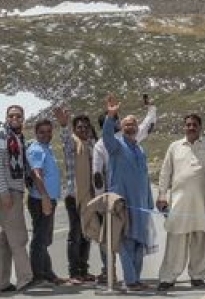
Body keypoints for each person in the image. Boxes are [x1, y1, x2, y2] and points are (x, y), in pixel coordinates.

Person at [92, 99, 155, 284]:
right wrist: (111, 116)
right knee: (126, 242)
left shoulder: (140, 149)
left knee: (139, 242)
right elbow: (107, 137)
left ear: (137, 127)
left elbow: (144, 177)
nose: (130, 126)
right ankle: (131, 280)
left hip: (141, 204)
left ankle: (136, 278)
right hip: (122, 203)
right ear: (121, 126)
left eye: (133, 123)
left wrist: (149, 202)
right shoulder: (115, 146)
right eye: (126, 123)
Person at [156, 114, 205, 291]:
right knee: (176, 239)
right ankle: (168, 277)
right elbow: (165, 172)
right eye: (188, 125)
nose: (191, 127)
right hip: (179, 202)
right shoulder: (175, 147)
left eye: (194, 125)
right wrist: (162, 195)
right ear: (184, 127)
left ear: (200, 127)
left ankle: (198, 276)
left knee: (203, 239)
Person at [54, 107, 97, 284]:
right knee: (76, 234)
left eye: (86, 127)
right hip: (74, 196)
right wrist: (64, 125)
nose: (83, 130)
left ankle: (83, 270)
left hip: (90, 196)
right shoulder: (72, 144)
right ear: (74, 129)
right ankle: (74, 272)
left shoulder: (92, 146)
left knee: (87, 233)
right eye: (79, 127)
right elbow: (64, 138)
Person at [26, 118, 66, 285]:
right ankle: (38, 276)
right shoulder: (36, 149)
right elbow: (36, 174)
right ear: (36, 133)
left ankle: (47, 273)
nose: (46, 135)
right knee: (39, 239)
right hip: (41, 199)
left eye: (49, 131)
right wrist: (45, 198)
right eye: (42, 132)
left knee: (43, 238)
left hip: (47, 198)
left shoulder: (46, 147)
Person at [0, 105, 34, 293]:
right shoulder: (2, 135)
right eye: (11, 115)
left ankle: (2, 282)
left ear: (23, 118)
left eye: (18, 116)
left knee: (5, 239)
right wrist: (3, 191)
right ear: (6, 117)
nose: (15, 118)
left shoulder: (18, 137)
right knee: (19, 237)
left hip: (14, 191)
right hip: (8, 193)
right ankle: (25, 278)